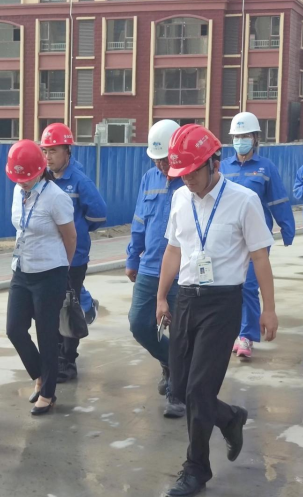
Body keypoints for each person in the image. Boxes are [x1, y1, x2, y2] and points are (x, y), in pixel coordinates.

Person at [156, 124, 278, 497]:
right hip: (186, 299)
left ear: (214, 163)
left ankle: (197, 469)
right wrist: (162, 297)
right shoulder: (180, 199)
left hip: (223, 304)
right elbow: (173, 249)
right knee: (179, 387)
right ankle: (229, 417)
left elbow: (260, 257)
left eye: (193, 170)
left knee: (198, 390)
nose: (187, 178)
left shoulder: (244, 201)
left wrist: (269, 309)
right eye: (181, 172)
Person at [5, 139, 77, 415]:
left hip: (49, 273)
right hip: (21, 269)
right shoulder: (18, 190)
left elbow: (70, 237)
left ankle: (48, 392)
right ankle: (39, 375)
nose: (22, 183)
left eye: (27, 177)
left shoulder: (56, 197)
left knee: (46, 335)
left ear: (40, 170)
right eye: (18, 178)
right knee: (14, 329)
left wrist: (63, 269)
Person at [220, 112, 294, 359]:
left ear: (255, 138)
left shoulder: (266, 168)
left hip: (256, 238)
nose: (240, 140)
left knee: (249, 287)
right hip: (229, 239)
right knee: (230, 287)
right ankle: (230, 331)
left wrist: (287, 228)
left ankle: (246, 336)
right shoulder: (223, 167)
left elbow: (278, 200)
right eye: (236, 136)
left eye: (245, 136)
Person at [126, 119, 185, 418]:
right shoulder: (149, 178)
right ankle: (171, 363)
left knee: (179, 332)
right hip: (150, 267)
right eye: (157, 159)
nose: (161, 165)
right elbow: (139, 219)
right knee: (139, 324)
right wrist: (132, 257)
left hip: (182, 271)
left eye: (165, 159)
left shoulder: (191, 179)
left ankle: (178, 390)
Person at [40, 123, 107, 383]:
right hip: (48, 257)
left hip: (73, 258)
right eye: (45, 151)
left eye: (53, 151)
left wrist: (77, 230)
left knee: (67, 307)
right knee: (49, 308)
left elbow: (98, 214)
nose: (48, 157)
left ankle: (67, 362)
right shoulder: (43, 178)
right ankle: (54, 357)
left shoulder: (79, 181)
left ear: (68, 151)